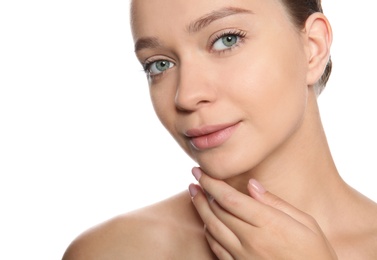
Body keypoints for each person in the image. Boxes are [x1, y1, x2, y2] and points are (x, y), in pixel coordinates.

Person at [62, 0, 377, 258]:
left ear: (313, 47)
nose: (185, 95)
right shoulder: (112, 252)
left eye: (227, 40)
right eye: (159, 64)